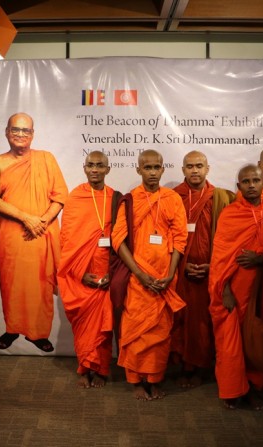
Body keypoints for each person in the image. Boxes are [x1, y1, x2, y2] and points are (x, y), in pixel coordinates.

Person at [209, 165, 263, 410]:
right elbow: (219, 257)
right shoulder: (230, 214)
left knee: (256, 339)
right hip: (234, 289)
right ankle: (233, 390)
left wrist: (261, 257)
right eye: (246, 181)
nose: (252, 185)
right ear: (239, 187)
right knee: (232, 343)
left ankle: (253, 389)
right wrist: (224, 291)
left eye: (256, 180)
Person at [0, 112, 68, 353]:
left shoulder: (46, 158)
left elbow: (60, 195)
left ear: (33, 134)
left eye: (26, 130)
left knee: (40, 283)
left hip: (41, 232)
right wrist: (26, 219)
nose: (20, 134)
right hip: (13, 235)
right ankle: (13, 328)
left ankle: (39, 333)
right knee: (12, 283)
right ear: (6, 132)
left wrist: (41, 221)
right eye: (15, 129)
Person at [112, 149, 187, 400]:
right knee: (135, 330)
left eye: (157, 167)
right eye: (147, 168)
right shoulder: (130, 200)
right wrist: (140, 274)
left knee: (160, 332)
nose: (153, 173)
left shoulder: (173, 198)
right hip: (138, 278)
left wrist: (170, 272)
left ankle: (154, 378)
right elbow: (118, 240)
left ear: (163, 169)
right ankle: (135, 380)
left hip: (165, 278)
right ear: (138, 169)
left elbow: (180, 238)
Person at [171, 150, 234, 387]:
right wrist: (180, 265)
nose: (195, 170)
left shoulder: (220, 198)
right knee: (182, 319)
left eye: (199, 166)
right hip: (180, 271)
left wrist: (212, 266)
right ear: (183, 169)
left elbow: (227, 238)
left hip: (211, 270)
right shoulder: (173, 197)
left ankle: (199, 367)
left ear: (207, 169)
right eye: (190, 166)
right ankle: (183, 366)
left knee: (203, 322)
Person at [58, 151, 115, 388]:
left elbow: (121, 239)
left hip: (107, 271)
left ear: (107, 169)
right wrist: (80, 274)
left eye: (100, 165)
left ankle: (101, 370)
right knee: (83, 327)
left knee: (104, 324)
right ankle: (84, 367)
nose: (95, 170)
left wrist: (113, 272)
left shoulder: (115, 197)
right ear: (84, 168)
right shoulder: (75, 198)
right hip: (80, 274)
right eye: (90, 165)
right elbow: (65, 241)